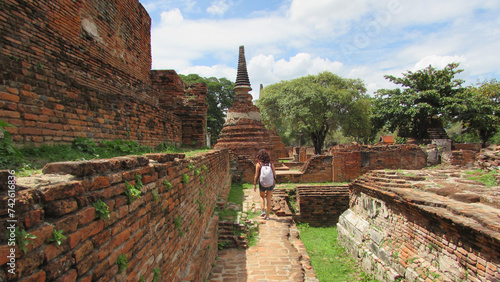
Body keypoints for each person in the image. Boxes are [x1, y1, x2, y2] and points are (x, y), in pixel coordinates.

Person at [253, 149, 277, 220]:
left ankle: (263, 210)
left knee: (262, 196)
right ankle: (268, 215)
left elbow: (256, 175)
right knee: (269, 198)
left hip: (262, 183)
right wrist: (274, 183)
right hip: (270, 183)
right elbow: (274, 175)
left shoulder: (258, 164)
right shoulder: (271, 164)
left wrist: (254, 184)